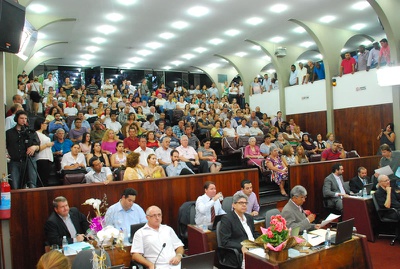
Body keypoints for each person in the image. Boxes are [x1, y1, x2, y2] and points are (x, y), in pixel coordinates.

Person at [219, 193, 259, 268]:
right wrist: (241, 247)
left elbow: (254, 233)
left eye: (245, 203)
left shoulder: (249, 217)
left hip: (255, 248)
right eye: (241, 203)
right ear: (233, 205)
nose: (244, 205)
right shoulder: (227, 219)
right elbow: (225, 241)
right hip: (241, 252)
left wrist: (264, 239)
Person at [6, 110, 40, 189]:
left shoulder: (31, 132)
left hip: (29, 161)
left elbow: (38, 146)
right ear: (16, 119)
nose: (24, 120)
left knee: (32, 184)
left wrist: (34, 147)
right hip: (15, 161)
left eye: (25, 118)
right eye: (21, 118)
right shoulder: (9, 133)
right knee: (15, 185)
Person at [34, 117, 54, 187]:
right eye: (45, 123)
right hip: (41, 158)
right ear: (41, 124)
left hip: (48, 157)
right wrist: (47, 145)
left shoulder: (44, 134)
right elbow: (36, 147)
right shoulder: (36, 133)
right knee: (42, 178)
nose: (46, 125)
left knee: (46, 177)